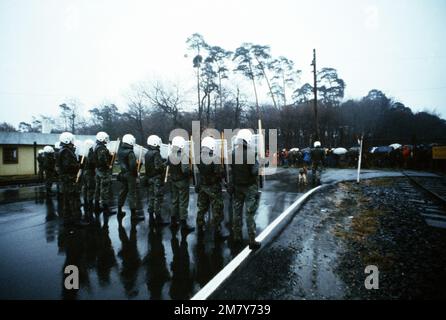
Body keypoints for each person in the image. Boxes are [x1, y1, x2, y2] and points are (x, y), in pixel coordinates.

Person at [228, 129, 261, 250]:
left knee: (237, 213)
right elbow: (254, 171)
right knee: (249, 213)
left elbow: (231, 172)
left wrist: (230, 186)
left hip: (237, 187)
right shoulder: (251, 153)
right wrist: (259, 164)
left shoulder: (232, 153)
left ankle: (237, 236)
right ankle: (252, 240)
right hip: (249, 187)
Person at [195, 136, 228, 240]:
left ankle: (200, 226)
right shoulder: (215, 158)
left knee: (202, 208)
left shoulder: (198, 157)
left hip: (202, 186)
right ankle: (217, 230)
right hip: (213, 187)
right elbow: (220, 173)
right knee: (217, 209)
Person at [57, 132, 85, 228]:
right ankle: (77, 220)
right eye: (71, 140)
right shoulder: (66, 151)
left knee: (67, 200)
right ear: (67, 140)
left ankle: (67, 219)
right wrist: (79, 165)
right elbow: (67, 166)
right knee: (74, 199)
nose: (73, 142)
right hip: (69, 179)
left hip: (66, 179)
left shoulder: (64, 150)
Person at [167, 136, 194, 233]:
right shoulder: (183, 155)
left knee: (175, 201)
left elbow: (168, 165)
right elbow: (185, 170)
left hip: (173, 180)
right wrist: (190, 172)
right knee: (183, 203)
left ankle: (173, 221)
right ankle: (183, 225)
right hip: (182, 181)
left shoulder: (170, 155)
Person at [117, 134, 143, 222]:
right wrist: (136, 174)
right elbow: (132, 166)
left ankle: (119, 210)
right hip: (130, 175)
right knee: (132, 194)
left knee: (123, 192)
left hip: (123, 173)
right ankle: (133, 215)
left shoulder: (120, 150)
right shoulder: (130, 152)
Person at [145, 135, 169, 226]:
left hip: (149, 178)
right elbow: (159, 167)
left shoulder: (147, 153)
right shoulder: (156, 153)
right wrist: (166, 163)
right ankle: (158, 219)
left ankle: (151, 217)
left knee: (151, 197)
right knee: (157, 198)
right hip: (156, 179)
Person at [94, 131, 115, 216]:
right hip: (103, 171)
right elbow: (102, 160)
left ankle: (96, 206)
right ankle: (106, 209)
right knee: (104, 189)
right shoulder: (101, 148)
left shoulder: (97, 147)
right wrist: (108, 165)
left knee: (98, 188)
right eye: (105, 138)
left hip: (98, 170)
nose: (106, 140)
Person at [81, 139, 96, 220]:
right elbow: (92, 162)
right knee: (90, 188)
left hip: (84, 171)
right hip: (89, 172)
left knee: (85, 187)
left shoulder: (82, 151)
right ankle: (90, 203)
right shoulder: (90, 152)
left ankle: (86, 201)